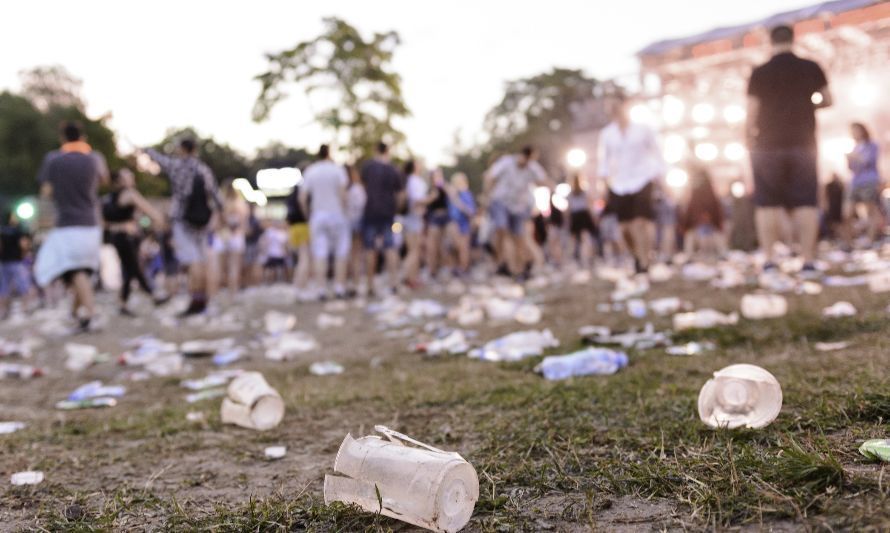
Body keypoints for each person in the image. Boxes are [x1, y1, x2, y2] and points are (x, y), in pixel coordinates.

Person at [746, 24, 832, 275]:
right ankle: (807, 261)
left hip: (767, 145)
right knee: (806, 201)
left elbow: (752, 111)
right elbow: (828, 99)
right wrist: (807, 105)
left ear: (770, 42)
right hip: (803, 141)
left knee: (767, 204)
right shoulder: (810, 67)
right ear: (794, 40)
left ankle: (771, 260)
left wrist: (747, 137)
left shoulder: (760, 72)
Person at [34, 121, 109, 332]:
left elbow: (46, 192)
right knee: (81, 272)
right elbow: (104, 180)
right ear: (83, 137)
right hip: (92, 223)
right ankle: (77, 314)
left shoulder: (54, 159)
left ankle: (91, 314)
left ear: (62, 138)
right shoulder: (95, 158)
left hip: (67, 224)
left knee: (75, 272)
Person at [145, 138, 222, 316]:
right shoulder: (204, 169)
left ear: (182, 149)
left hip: (182, 220)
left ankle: (196, 299)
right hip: (202, 221)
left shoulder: (177, 166)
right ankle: (203, 298)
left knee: (193, 261)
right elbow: (216, 195)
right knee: (202, 260)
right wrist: (218, 215)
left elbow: (158, 158)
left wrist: (144, 148)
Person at [597, 93, 665, 276]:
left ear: (624, 105)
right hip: (619, 184)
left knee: (640, 223)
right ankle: (636, 256)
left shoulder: (643, 129)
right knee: (624, 228)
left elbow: (657, 153)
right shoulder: (607, 134)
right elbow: (603, 161)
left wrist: (660, 177)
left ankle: (645, 261)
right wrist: (603, 186)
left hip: (643, 179)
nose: (612, 109)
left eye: (615, 105)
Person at [102, 168, 167, 315]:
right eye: (128, 176)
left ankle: (123, 302)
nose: (132, 178)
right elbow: (149, 211)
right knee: (133, 267)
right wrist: (161, 222)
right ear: (119, 180)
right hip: (127, 237)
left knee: (128, 269)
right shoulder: (130, 194)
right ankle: (152, 294)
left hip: (115, 237)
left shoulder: (107, 198)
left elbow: (104, 222)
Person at [483, 145, 550, 279]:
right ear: (521, 155)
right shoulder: (506, 162)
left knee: (519, 238)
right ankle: (499, 259)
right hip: (500, 202)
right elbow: (490, 177)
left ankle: (520, 270)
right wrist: (487, 196)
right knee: (501, 228)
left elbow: (544, 180)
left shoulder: (532, 167)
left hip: (519, 207)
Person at [300, 144, 351, 299]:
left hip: (318, 215)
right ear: (330, 153)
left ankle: (320, 289)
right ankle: (339, 287)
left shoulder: (311, 171)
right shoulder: (338, 170)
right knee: (340, 253)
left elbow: (302, 198)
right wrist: (344, 212)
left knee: (320, 254)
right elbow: (343, 194)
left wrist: (308, 215)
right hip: (337, 214)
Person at [360, 142, 404, 296]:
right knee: (390, 247)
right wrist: (395, 208)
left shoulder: (368, 167)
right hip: (387, 213)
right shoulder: (393, 170)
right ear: (388, 151)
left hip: (370, 211)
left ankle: (370, 285)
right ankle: (394, 283)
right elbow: (400, 195)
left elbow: (362, 188)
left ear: (375, 150)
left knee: (370, 249)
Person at [847, 122, 883, 244]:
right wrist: (849, 160)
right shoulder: (854, 147)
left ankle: (870, 240)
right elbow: (852, 168)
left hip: (869, 181)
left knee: (870, 211)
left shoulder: (872, 145)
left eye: (855, 130)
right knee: (847, 212)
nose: (853, 133)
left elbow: (868, 161)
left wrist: (855, 157)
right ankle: (850, 241)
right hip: (855, 182)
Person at [680, 168, 725, 259]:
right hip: (702, 222)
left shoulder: (697, 192)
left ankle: (717, 255)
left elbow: (691, 208)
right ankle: (719, 255)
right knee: (699, 238)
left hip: (704, 222)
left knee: (700, 239)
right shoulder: (705, 192)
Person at [217, 181, 249, 293]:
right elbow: (243, 221)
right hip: (236, 237)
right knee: (234, 267)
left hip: (223, 236)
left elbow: (219, 221)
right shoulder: (240, 203)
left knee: (222, 267)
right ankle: (233, 292)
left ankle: (221, 291)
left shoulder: (222, 204)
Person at [0, 211, 33, 318]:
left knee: (3, 288)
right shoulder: (17, 231)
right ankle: (26, 308)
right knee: (23, 285)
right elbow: (23, 245)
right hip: (16, 261)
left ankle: (3, 311)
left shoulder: (2, 230)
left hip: (4, 262)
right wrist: (24, 255)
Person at [401, 160, 428, 288]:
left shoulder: (406, 180)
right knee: (414, 250)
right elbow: (417, 201)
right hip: (414, 218)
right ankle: (407, 274)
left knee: (412, 249)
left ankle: (413, 278)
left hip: (406, 218)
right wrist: (431, 198)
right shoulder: (416, 181)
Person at [446, 172, 476, 276]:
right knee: (454, 247)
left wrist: (457, 201)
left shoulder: (465, 194)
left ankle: (463, 268)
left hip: (463, 223)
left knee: (463, 247)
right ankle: (458, 267)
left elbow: (470, 211)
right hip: (455, 223)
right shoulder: (454, 195)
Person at [285, 181, 311, 295]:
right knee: (304, 258)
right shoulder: (304, 193)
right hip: (303, 227)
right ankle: (300, 285)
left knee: (300, 259)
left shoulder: (291, 196)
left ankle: (298, 283)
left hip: (293, 229)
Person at [567, 174, 598, 267]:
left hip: (576, 216)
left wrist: (568, 220)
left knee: (577, 240)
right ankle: (588, 258)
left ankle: (580, 258)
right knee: (585, 238)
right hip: (583, 215)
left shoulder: (571, 194)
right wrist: (593, 217)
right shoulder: (583, 193)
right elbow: (589, 206)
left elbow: (569, 209)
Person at [425, 169, 451, 280]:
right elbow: (427, 202)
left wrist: (444, 186)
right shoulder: (431, 189)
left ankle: (442, 268)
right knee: (432, 246)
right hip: (434, 218)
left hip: (444, 218)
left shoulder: (444, 188)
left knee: (442, 245)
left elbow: (452, 195)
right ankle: (432, 270)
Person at [345, 165, 367, 292]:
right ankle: (356, 281)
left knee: (349, 254)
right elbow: (362, 205)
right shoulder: (357, 189)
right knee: (357, 255)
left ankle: (350, 282)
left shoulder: (344, 189)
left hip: (347, 223)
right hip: (357, 223)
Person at [824, 174, 846, 245]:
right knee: (832, 223)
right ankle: (834, 237)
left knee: (838, 223)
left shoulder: (840, 185)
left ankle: (839, 237)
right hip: (832, 206)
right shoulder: (829, 185)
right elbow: (825, 195)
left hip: (838, 206)